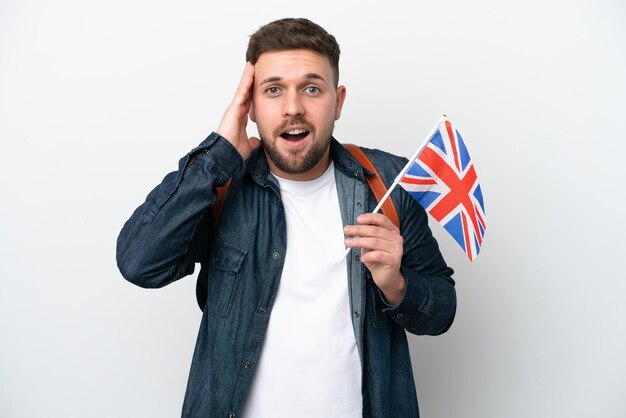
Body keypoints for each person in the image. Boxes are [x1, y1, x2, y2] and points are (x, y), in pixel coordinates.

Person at [116, 17, 456, 418]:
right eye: (273, 90)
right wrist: (217, 155)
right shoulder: (223, 186)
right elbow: (139, 263)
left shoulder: (386, 184)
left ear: (338, 101)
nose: (293, 108)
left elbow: (441, 312)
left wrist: (395, 284)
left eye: (312, 89)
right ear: (251, 107)